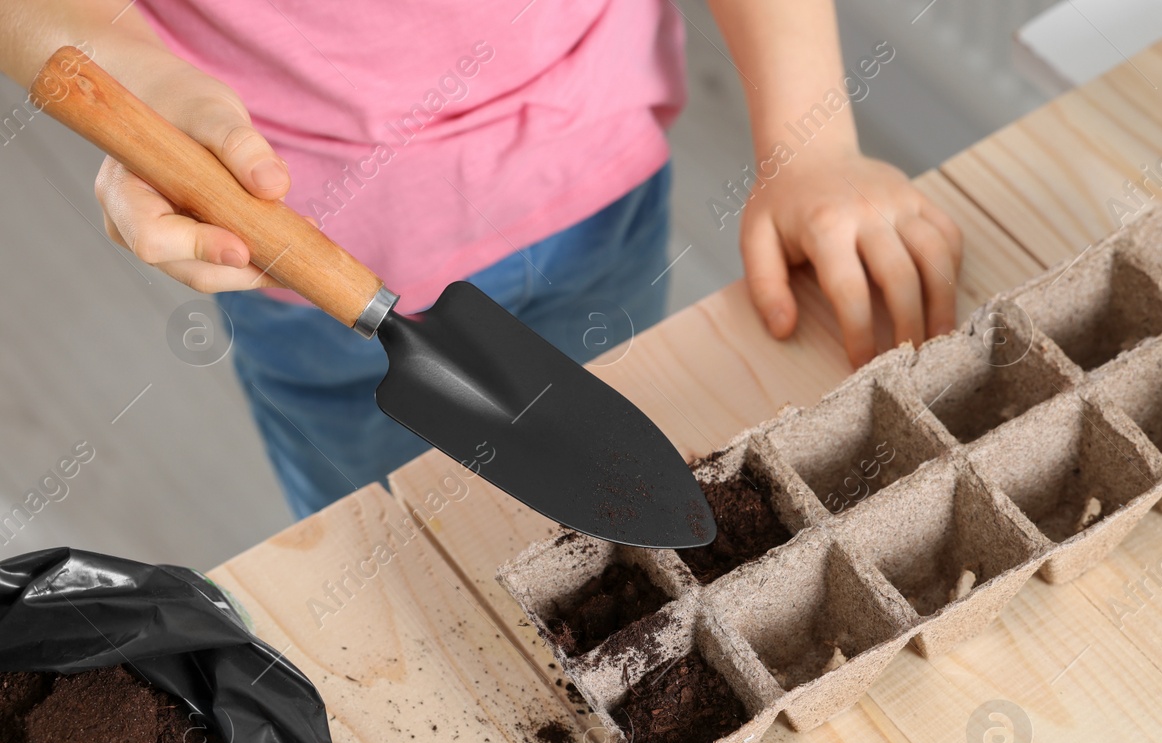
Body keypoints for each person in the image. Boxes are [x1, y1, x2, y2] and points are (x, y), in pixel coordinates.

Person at [0, 1, 963, 517]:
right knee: (410, 531)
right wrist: (143, 90)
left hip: (592, 169)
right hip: (300, 240)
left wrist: (815, 139)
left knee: (602, 430)